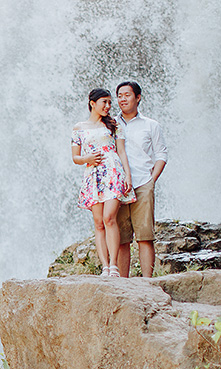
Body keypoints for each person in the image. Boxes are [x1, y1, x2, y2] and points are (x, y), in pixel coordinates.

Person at [72, 88, 135, 277]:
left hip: (113, 172)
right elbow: (75, 157)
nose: (108, 106)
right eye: (104, 102)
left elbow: (122, 151)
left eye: (109, 102)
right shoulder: (79, 128)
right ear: (92, 103)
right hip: (93, 175)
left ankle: (114, 265)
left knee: (109, 218)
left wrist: (128, 176)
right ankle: (105, 266)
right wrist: (87, 158)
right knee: (99, 223)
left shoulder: (114, 125)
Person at [114, 81, 167, 278]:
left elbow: (161, 154)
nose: (122, 99)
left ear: (138, 97)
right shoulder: (111, 124)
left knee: (145, 236)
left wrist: (152, 180)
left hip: (143, 183)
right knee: (121, 238)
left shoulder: (151, 125)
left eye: (127, 95)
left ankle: (147, 283)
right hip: (117, 187)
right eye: (119, 95)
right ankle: (124, 283)